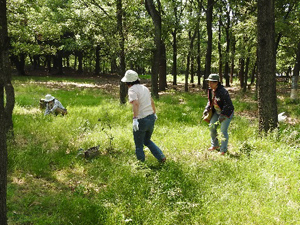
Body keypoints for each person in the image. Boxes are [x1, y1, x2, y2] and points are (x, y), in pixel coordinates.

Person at [121, 70, 166, 163]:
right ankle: (161, 157)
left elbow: (136, 104)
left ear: (128, 82)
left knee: (139, 144)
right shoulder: (144, 88)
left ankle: (141, 165)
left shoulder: (132, 89)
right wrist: (154, 113)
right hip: (151, 117)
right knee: (147, 140)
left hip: (142, 119)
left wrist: (135, 119)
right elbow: (151, 101)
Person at [203, 74, 234, 155]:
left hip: (226, 112)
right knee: (211, 127)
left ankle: (223, 150)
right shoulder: (210, 90)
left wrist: (222, 115)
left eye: (212, 83)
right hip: (217, 112)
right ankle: (215, 145)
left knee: (223, 131)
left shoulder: (223, 91)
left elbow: (228, 105)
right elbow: (210, 101)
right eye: (209, 82)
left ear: (217, 82)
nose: (210, 84)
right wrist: (207, 109)